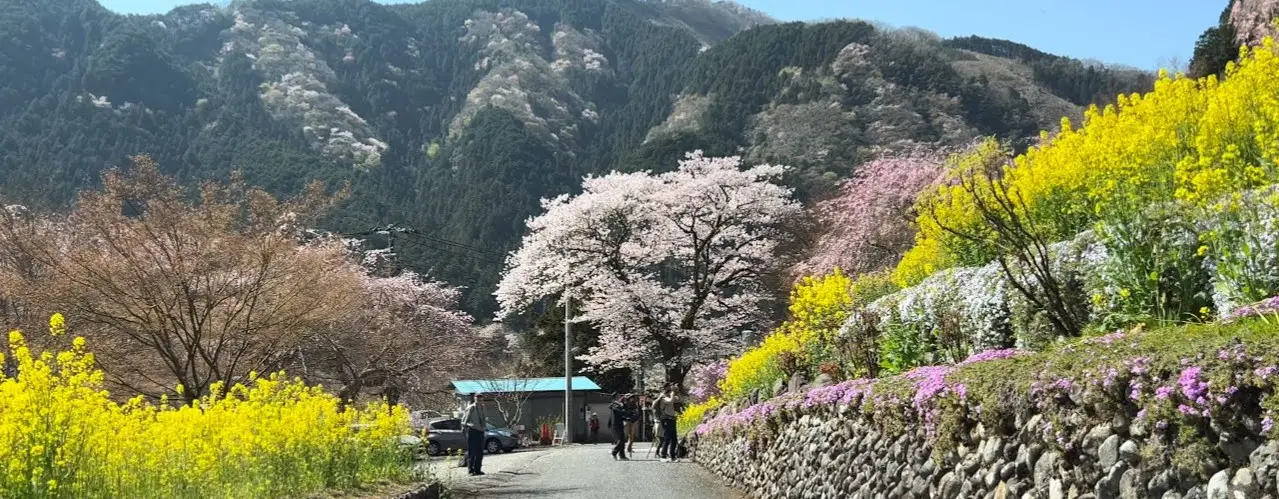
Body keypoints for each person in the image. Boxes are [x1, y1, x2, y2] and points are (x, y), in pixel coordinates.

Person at [461, 393, 487, 476]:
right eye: (477, 398)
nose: (479, 399)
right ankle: (470, 470)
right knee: (472, 451)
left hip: (481, 430)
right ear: (474, 398)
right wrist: (464, 429)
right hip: (472, 430)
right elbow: (464, 419)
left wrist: (484, 427)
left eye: (480, 398)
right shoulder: (471, 407)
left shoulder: (483, 407)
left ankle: (478, 469)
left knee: (480, 451)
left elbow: (484, 418)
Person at [656, 385, 680, 462]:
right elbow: (669, 401)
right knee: (667, 438)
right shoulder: (663, 398)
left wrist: (675, 393)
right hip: (666, 419)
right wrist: (672, 395)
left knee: (674, 439)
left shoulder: (671, 397)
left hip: (672, 419)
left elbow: (677, 400)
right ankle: (663, 456)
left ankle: (672, 456)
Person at [607, 393, 631, 460]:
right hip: (615, 424)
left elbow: (621, 414)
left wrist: (626, 418)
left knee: (622, 439)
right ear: (614, 398)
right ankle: (614, 452)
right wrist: (627, 414)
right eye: (618, 396)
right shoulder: (614, 404)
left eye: (620, 396)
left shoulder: (619, 404)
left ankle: (622, 455)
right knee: (621, 440)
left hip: (619, 423)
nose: (619, 397)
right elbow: (620, 412)